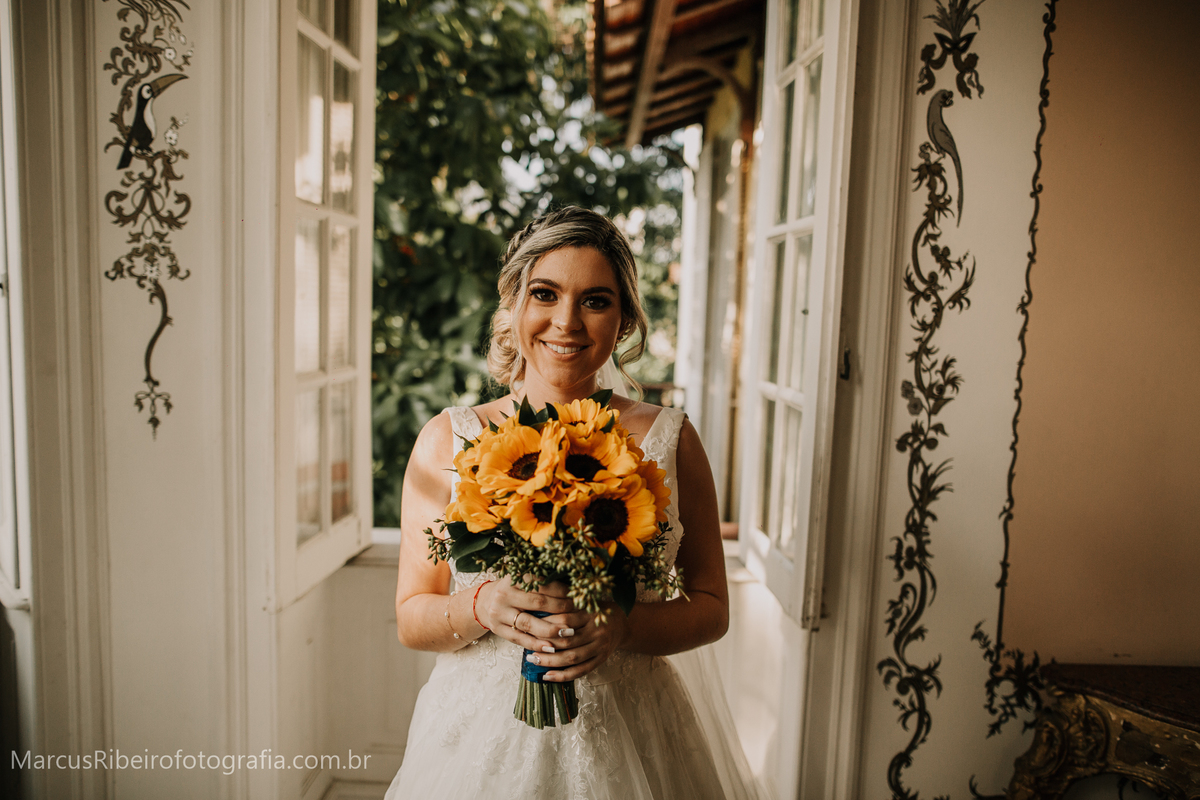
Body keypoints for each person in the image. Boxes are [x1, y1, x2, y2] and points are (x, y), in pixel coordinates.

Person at [385, 206, 760, 799]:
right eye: (545, 293)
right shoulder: (446, 440)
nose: (567, 322)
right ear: (514, 306)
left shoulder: (669, 439)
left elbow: (712, 608)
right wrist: (482, 606)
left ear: (626, 319)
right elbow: (413, 616)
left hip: (634, 732)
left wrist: (622, 626)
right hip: (479, 737)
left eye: (595, 300)